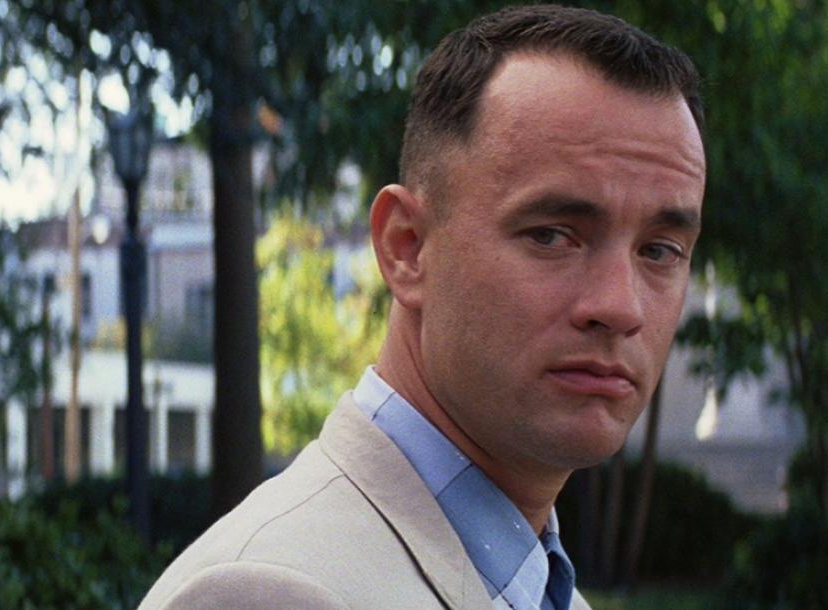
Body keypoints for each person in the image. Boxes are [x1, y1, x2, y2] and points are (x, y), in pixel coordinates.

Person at [139, 4, 705, 609]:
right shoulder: (267, 593)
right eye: (551, 235)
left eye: (660, 250)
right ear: (406, 248)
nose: (620, 306)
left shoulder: (539, 586)